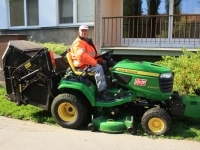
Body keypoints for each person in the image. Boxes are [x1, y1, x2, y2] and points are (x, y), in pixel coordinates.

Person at [70, 25, 112, 101]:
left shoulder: (87, 42)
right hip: (82, 66)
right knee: (98, 68)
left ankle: (110, 84)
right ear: (79, 32)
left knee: (108, 63)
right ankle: (102, 92)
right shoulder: (78, 43)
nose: (84, 32)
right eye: (82, 30)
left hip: (88, 63)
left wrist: (100, 59)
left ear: (88, 31)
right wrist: (95, 63)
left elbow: (94, 54)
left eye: (85, 30)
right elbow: (82, 56)